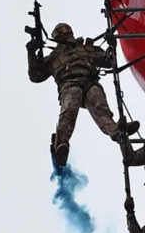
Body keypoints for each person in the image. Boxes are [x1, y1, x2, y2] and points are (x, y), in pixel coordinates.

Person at [27, 22, 139, 168]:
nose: (66, 35)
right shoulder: (53, 57)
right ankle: (61, 143)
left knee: (99, 105)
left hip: (89, 82)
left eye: (67, 33)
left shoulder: (85, 49)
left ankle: (116, 131)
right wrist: (31, 52)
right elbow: (35, 76)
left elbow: (108, 61)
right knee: (70, 107)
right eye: (62, 34)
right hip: (69, 85)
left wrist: (112, 46)